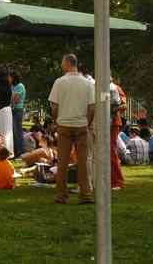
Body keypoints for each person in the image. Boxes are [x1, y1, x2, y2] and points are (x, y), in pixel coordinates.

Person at [48, 54, 94, 204]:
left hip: (64, 125)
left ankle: (61, 195)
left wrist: (56, 122)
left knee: (62, 162)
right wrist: (87, 122)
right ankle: (85, 194)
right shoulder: (87, 83)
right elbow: (91, 107)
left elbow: (54, 107)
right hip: (81, 124)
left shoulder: (59, 82)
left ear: (67, 63)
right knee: (83, 161)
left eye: (62, 62)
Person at [110, 80, 125, 189]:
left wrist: (114, 108)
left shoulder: (116, 88)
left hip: (113, 122)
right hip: (101, 122)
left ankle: (117, 181)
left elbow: (124, 105)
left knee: (111, 151)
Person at [9, 70, 26, 157]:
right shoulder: (12, 86)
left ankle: (20, 152)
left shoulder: (19, 86)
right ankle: (16, 151)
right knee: (13, 132)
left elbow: (16, 99)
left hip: (17, 110)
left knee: (17, 132)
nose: (8, 79)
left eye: (10, 77)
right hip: (13, 110)